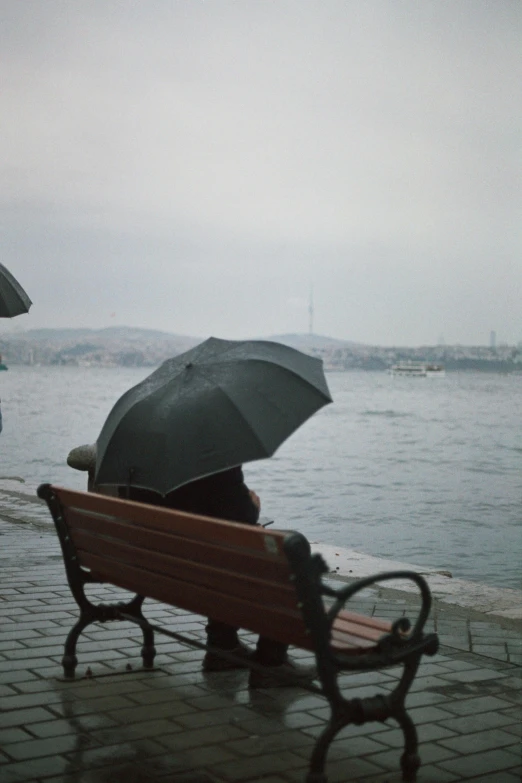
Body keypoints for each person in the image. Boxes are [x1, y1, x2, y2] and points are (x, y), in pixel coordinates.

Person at [123, 466, 315, 687]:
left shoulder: (137, 465)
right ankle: (272, 662)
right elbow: (241, 514)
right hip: (203, 570)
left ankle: (223, 647)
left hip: (149, 569)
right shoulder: (215, 463)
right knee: (291, 546)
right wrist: (253, 505)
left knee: (221, 553)